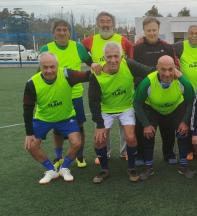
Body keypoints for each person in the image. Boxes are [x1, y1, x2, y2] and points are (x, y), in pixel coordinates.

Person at [88, 42, 155, 184]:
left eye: (116, 56)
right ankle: (104, 169)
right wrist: (100, 125)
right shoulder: (96, 75)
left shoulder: (129, 65)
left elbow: (150, 70)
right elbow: (93, 102)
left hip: (126, 107)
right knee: (99, 139)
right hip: (105, 109)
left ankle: (131, 168)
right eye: (109, 57)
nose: (113, 60)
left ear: (122, 56)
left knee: (130, 137)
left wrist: (170, 70)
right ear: (103, 57)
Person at [39, 19, 100, 169]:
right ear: (53, 33)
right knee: (57, 127)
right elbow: (40, 74)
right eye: (58, 30)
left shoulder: (78, 47)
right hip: (55, 96)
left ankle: (80, 155)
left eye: (65, 30)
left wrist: (93, 65)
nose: (62, 33)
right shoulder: (46, 48)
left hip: (75, 95)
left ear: (69, 33)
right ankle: (59, 157)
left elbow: (91, 62)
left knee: (79, 126)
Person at [23, 52, 90, 184]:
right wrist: (29, 133)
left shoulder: (66, 74)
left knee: (77, 143)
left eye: (52, 67)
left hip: (66, 118)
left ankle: (64, 168)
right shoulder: (32, 83)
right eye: (45, 67)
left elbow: (87, 76)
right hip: (43, 119)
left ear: (57, 66)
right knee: (31, 146)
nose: (49, 71)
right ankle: (51, 170)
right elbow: (27, 109)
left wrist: (96, 67)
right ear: (40, 67)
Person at [81, 11, 133, 163]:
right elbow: (79, 50)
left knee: (126, 125)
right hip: (103, 86)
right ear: (98, 24)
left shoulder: (122, 40)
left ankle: (125, 152)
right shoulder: (90, 40)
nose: (105, 24)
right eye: (102, 21)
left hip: (121, 83)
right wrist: (91, 64)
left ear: (113, 24)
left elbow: (133, 52)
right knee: (104, 122)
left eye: (108, 21)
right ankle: (106, 153)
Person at [133, 55, 195, 180]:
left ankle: (184, 165)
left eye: (170, 69)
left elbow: (191, 101)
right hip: (153, 108)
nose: (167, 73)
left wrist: (185, 121)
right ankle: (148, 167)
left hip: (176, 107)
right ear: (157, 68)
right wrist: (146, 124)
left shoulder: (183, 81)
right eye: (163, 69)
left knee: (183, 132)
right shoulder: (148, 81)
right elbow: (137, 103)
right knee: (148, 133)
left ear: (175, 68)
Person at [132, 17, 180, 165]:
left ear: (158, 30)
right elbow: (133, 70)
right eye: (148, 30)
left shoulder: (167, 47)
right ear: (144, 31)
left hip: (166, 94)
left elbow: (176, 67)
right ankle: (142, 155)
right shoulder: (137, 48)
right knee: (143, 127)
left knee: (168, 127)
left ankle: (169, 154)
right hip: (145, 96)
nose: (151, 33)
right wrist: (144, 85)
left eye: (154, 30)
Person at [172, 24, 197, 160]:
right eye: (191, 33)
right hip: (185, 92)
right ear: (187, 34)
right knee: (185, 121)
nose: (194, 35)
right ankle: (188, 150)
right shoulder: (179, 46)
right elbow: (164, 48)